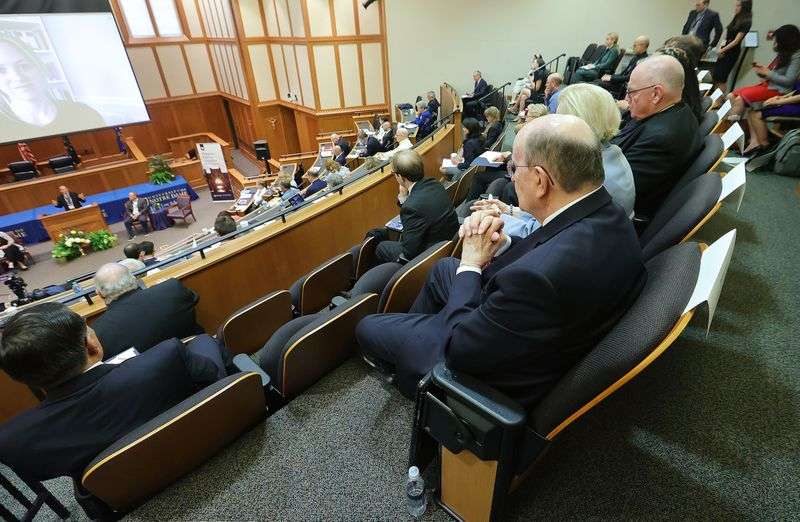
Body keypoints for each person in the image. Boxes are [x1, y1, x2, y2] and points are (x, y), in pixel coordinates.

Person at [356, 114, 646, 402]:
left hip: (479, 354)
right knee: (444, 267)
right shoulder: (608, 212)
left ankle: (424, 367)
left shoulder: (536, 278)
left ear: (540, 181)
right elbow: (547, 244)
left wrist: (470, 262)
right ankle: (416, 350)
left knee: (367, 326)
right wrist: (504, 243)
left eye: (514, 167)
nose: (511, 175)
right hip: (526, 323)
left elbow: (460, 347)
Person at [0, 302, 225, 484]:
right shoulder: (166, 357)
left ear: (20, 377)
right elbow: (212, 375)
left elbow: (39, 472)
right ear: (91, 346)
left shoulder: (14, 440)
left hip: (128, 493)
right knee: (204, 341)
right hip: (209, 446)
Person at [473, 83, 637, 236]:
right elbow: (551, 218)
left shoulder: (589, 173)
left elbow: (542, 233)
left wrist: (495, 218)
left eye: (558, 117)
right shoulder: (613, 153)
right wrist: (509, 211)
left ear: (576, 123)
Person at [612, 55, 702, 220]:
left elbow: (610, 190)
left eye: (631, 92)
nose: (626, 98)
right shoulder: (679, 111)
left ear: (656, 94)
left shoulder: (661, 139)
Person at [362, 150, 458, 265]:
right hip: (447, 242)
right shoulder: (435, 184)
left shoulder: (411, 207)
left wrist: (404, 201)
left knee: (381, 246)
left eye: (394, 173)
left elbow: (408, 251)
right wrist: (403, 198)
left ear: (400, 176)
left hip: (430, 256)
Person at [91, 263, 205, 359]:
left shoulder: (98, 331)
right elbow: (194, 298)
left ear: (100, 294)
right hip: (203, 355)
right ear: (134, 279)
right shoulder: (171, 288)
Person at [0, 38, 105, 143]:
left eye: (24, 66)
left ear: (40, 68)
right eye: (2, 70)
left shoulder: (84, 113)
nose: (18, 77)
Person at [729, 24, 800, 124]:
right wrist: (762, 72)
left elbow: (789, 81)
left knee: (740, 99)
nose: (775, 43)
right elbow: (773, 73)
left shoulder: (796, 55)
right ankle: (734, 128)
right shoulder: (784, 53)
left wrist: (768, 73)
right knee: (731, 96)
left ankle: (730, 131)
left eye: (777, 40)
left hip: (780, 90)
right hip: (769, 85)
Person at [744, 82, 800, 155]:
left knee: (756, 114)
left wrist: (779, 101)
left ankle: (765, 147)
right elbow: (797, 91)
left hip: (797, 106)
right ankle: (755, 143)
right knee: (751, 111)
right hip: (794, 102)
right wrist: (783, 97)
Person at [711, 0, 752, 94]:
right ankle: (715, 100)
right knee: (716, 76)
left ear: (744, 7)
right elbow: (727, 36)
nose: (736, 8)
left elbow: (736, 41)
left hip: (731, 52)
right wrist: (720, 48)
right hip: (724, 49)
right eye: (736, 5)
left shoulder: (747, 22)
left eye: (738, 6)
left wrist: (721, 50)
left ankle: (719, 102)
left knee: (721, 78)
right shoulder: (737, 18)